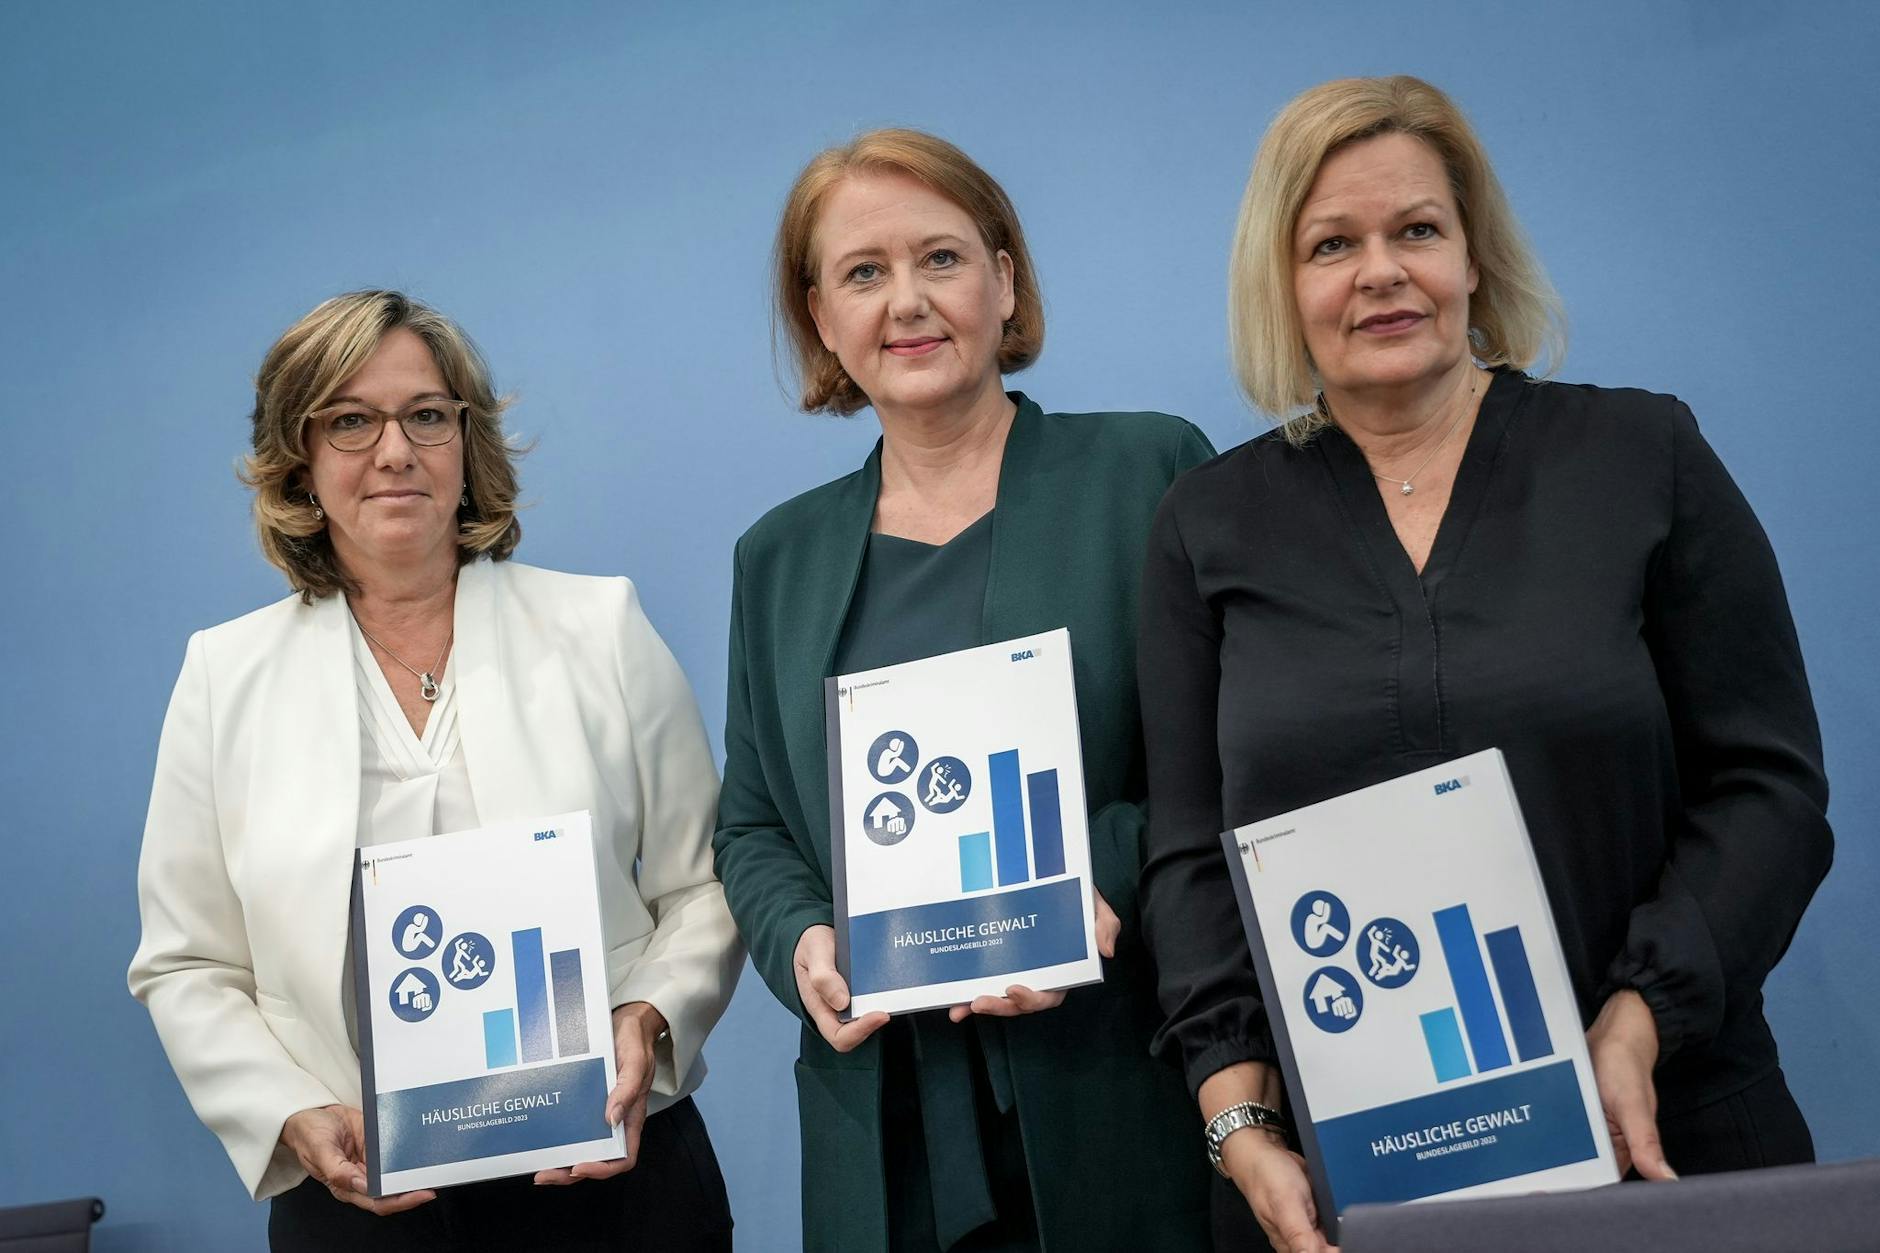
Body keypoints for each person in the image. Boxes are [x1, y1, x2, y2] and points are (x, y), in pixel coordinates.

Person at [1137, 75, 1832, 1253]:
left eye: (1416, 229)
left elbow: (1767, 789)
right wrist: (1238, 1119)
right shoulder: (1206, 523)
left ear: (1472, 255)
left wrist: (1637, 1017)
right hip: (1337, 1181)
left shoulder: (1639, 455)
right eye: (1331, 243)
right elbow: (1188, 859)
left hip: (1660, 1132)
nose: (1380, 271)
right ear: (1281, 282)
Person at [128, 291, 744, 1252]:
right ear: (300, 457)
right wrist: (285, 1108)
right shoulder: (224, 676)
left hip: (613, 1176)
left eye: (426, 414)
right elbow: (188, 960)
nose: (394, 449)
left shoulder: (601, 627)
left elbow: (705, 883)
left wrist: (650, 1017)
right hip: (360, 1195)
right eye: (349, 420)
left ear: (469, 442)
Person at [712, 129, 1216, 1251]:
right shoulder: (776, 558)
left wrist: (1103, 882)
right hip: (884, 1120)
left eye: (939, 258)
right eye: (863, 272)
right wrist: (800, 942)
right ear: (819, 319)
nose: (907, 301)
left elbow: (1223, 759)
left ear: (1005, 279)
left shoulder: (1147, 473)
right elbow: (749, 822)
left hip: (1114, 1077)